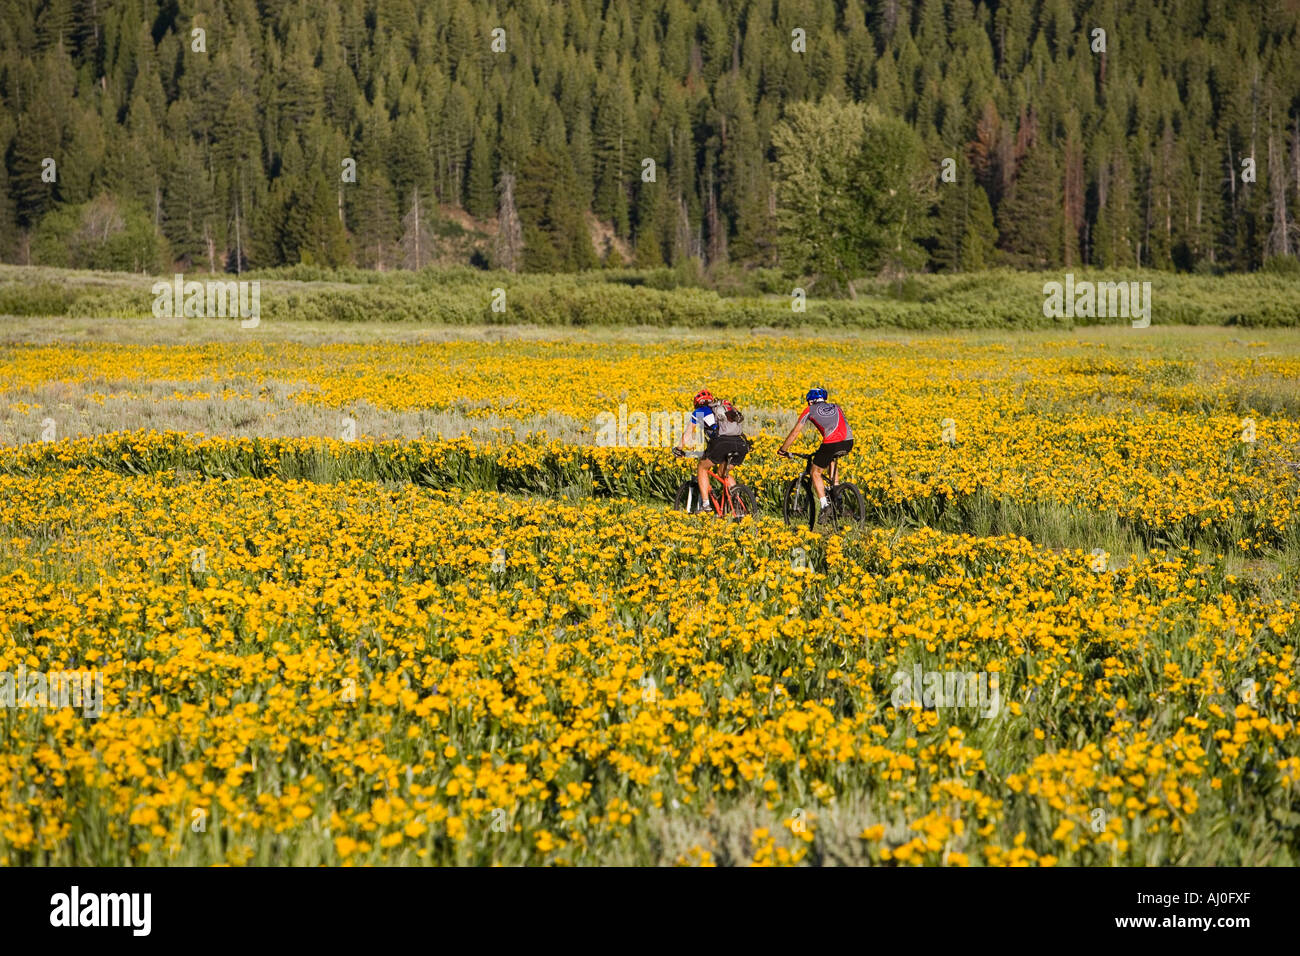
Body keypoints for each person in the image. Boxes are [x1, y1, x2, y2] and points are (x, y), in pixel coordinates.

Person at [777, 387, 853, 514]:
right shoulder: (836, 406)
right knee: (831, 460)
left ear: (810, 401)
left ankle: (824, 506)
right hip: (849, 442)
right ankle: (837, 495)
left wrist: (783, 449)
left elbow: (795, 432)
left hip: (831, 443)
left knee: (815, 472)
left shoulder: (809, 410)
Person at [673, 388, 748, 513]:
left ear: (697, 403)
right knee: (723, 473)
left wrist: (679, 449)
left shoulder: (699, 411)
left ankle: (706, 504)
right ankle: (737, 504)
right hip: (740, 443)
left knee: (702, 467)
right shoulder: (724, 410)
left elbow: (687, 434)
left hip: (722, 443)